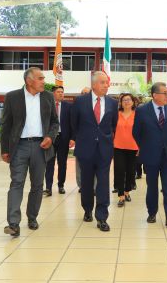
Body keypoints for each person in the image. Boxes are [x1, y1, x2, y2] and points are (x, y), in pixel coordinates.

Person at [1, 67, 58, 237]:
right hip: (19, 146)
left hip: (41, 147)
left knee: (37, 185)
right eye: (40, 78)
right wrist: (5, 149)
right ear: (29, 80)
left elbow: (55, 122)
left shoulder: (48, 97)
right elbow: (6, 125)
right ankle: (13, 223)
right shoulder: (13, 97)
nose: (44, 81)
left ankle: (32, 217)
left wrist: (50, 137)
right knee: (16, 183)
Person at [71, 72, 118, 232]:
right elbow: (74, 124)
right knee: (86, 182)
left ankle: (102, 217)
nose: (107, 85)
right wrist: (84, 138)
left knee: (103, 183)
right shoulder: (80, 101)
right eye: (103, 82)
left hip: (104, 150)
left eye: (107, 82)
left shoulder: (112, 103)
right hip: (85, 149)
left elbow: (113, 125)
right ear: (94, 84)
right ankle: (87, 209)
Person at [132, 82, 167, 227]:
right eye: (165, 93)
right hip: (150, 155)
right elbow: (136, 132)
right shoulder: (142, 110)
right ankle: (152, 213)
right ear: (154, 95)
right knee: (152, 186)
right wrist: (145, 146)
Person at [44, 85, 74, 196]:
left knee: (62, 163)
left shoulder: (68, 106)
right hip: (50, 138)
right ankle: (48, 187)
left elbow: (72, 124)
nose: (61, 94)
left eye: (62, 92)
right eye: (58, 92)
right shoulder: (47, 106)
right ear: (53, 94)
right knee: (49, 163)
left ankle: (61, 185)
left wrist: (72, 138)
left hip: (63, 138)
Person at [113, 93, 138, 207]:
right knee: (119, 170)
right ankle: (121, 195)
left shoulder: (137, 115)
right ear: (121, 103)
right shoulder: (116, 114)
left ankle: (127, 191)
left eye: (129, 100)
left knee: (131, 171)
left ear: (133, 102)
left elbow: (141, 131)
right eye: (124, 100)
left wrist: (140, 146)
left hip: (133, 147)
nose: (127, 102)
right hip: (118, 146)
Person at [75, 86, 96, 193]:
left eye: (87, 93)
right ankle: (81, 186)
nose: (84, 95)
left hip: (95, 142)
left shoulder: (97, 106)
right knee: (80, 166)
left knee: (95, 166)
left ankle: (94, 187)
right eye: (82, 93)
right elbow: (73, 123)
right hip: (81, 141)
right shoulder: (77, 106)